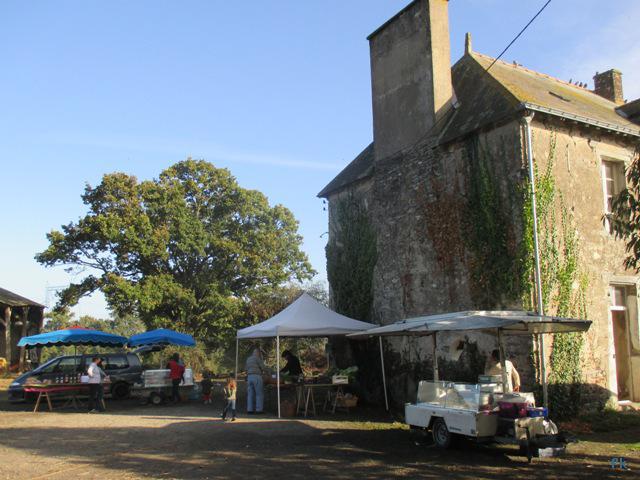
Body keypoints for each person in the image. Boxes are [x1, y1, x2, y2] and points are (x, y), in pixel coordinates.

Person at [245, 348, 268, 414]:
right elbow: (263, 367)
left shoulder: (248, 359)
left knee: (250, 394)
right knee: (259, 394)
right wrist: (268, 372)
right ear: (258, 353)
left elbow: (246, 369)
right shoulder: (257, 358)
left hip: (249, 377)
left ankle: (250, 410)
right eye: (259, 354)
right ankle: (259, 410)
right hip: (257, 376)